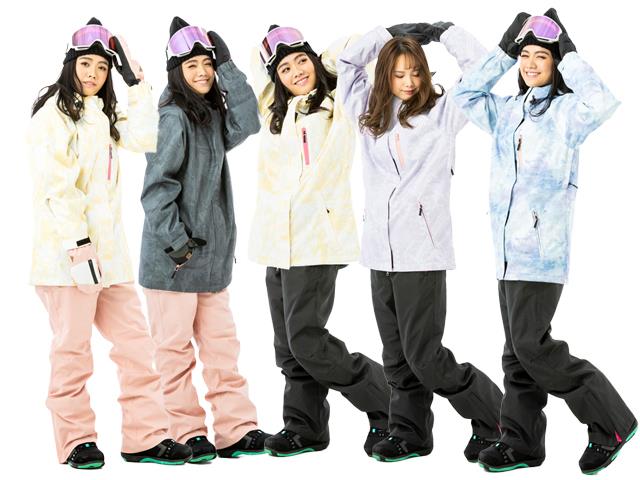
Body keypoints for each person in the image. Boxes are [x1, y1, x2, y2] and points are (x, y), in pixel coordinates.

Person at [452, 9, 637, 474]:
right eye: (525, 56)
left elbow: (603, 102)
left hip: (540, 251)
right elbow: (465, 94)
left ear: (555, 63)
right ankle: (521, 443)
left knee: (532, 347)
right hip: (506, 252)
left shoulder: (568, 112)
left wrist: (569, 52)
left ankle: (612, 422)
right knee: (517, 352)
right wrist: (502, 50)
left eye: (542, 56)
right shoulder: (508, 110)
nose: (531, 63)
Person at [29, 17, 191, 468]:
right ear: (70, 65)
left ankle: (145, 437)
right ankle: (75, 440)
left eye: (102, 68)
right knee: (73, 351)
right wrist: (78, 246)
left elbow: (145, 136)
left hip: (111, 259)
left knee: (137, 346)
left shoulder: (102, 114)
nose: (94, 74)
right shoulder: (54, 115)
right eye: (86, 64)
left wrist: (136, 84)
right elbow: (57, 188)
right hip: (67, 259)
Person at [337, 22, 503, 462]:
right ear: (385, 76)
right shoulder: (369, 115)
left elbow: (483, 68)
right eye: (398, 74)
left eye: (416, 72)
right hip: (379, 252)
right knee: (395, 356)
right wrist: (384, 33)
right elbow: (347, 64)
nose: (409, 82)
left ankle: (497, 418)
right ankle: (409, 434)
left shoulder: (444, 113)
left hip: (422, 254)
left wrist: (446, 33)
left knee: (425, 356)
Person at [248, 25, 391, 457]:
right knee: (288, 347)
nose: (296, 72)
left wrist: (325, 60)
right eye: (285, 68)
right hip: (276, 241)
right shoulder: (274, 109)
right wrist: (273, 53)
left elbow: (353, 52)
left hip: (316, 238)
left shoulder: (339, 104)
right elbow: (258, 68)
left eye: (302, 61)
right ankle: (304, 429)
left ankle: (390, 405)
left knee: (307, 340)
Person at [139, 17, 269, 462]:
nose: (201, 72)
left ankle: (236, 430)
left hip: (211, 261)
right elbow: (157, 189)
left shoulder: (209, 115)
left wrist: (229, 67)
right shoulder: (172, 118)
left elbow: (249, 121)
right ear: (176, 71)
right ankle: (187, 431)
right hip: (174, 263)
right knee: (174, 354)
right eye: (191, 66)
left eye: (207, 65)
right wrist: (178, 244)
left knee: (221, 350)